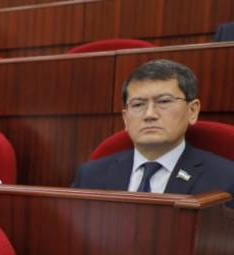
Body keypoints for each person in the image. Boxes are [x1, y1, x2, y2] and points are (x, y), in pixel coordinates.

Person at [72, 60, 234, 205]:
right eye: (138, 104)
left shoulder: (226, 179)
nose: (149, 114)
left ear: (192, 111)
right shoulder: (90, 176)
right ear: (126, 118)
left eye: (164, 101)